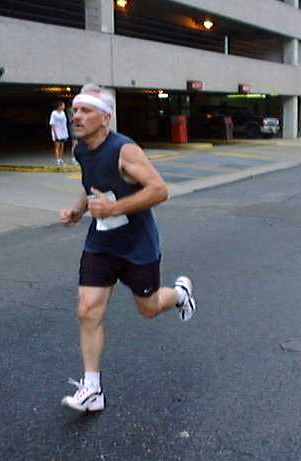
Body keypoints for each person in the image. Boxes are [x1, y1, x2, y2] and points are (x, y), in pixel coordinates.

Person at [59, 83, 196, 413]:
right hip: (101, 242)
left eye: (85, 110)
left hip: (137, 245)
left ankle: (179, 294)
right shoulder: (81, 150)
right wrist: (78, 210)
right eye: (75, 110)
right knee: (87, 310)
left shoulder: (125, 151)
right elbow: (92, 185)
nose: (76, 116)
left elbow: (159, 190)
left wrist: (113, 209)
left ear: (105, 118)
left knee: (148, 308)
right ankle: (92, 389)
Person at [49, 100, 69, 166]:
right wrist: (55, 134)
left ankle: (60, 159)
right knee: (57, 146)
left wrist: (66, 132)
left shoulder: (63, 113)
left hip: (63, 132)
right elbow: (52, 123)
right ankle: (57, 160)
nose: (64, 106)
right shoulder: (54, 113)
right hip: (57, 131)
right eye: (63, 105)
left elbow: (65, 122)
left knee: (62, 146)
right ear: (59, 106)